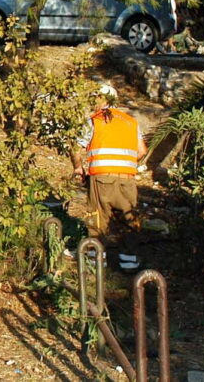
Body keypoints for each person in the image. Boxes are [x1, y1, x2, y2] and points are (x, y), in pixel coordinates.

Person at [72, 84, 146, 271]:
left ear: (102, 100)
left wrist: (78, 168)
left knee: (97, 218)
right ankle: (128, 261)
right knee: (128, 219)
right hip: (127, 179)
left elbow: (75, 148)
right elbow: (141, 151)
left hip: (102, 177)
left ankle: (95, 262)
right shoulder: (131, 121)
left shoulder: (94, 120)